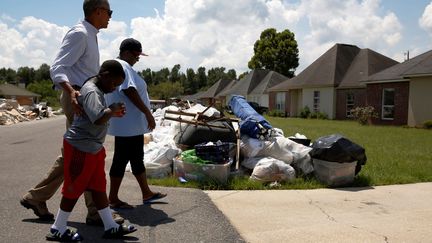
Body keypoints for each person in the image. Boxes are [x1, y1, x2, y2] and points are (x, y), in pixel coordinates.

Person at [20, 0, 123, 226]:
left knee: (77, 153)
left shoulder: (90, 34)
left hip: (84, 96)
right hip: (78, 97)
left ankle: (37, 197)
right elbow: (57, 67)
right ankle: (95, 211)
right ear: (98, 11)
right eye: (109, 12)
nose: (110, 17)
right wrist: (72, 92)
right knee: (88, 150)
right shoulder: (80, 34)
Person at [46, 60, 136, 241]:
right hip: (81, 146)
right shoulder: (92, 91)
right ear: (105, 75)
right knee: (73, 188)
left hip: (93, 147)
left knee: (98, 188)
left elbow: (100, 115)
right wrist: (112, 110)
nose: (113, 88)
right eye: (113, 84)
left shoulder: (98, 88)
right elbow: (98, 117)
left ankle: (110, 226)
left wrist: (112, 112)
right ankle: (58, 227)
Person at [105, 38, 166, 209]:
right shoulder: (122, 66)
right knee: (121, 159)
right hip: (127, 125)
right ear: (125, 52)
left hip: (130, 125)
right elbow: (128, 89)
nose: (138, 58)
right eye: (136, 54)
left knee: (136, 159)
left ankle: (146, 193)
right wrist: (147, 113)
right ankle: (113, 198)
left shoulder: (125, 67)